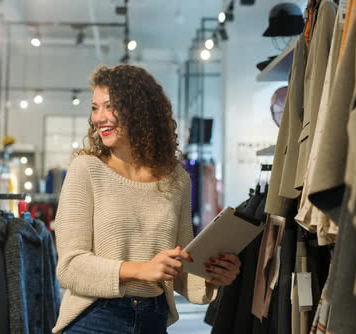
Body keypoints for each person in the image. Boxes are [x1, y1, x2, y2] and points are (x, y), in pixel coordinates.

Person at [52, 64, 241, 334]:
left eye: (110, 106)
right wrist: (140, 269)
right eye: (95, 108)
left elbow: (182, 268)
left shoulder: (177, 180)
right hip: (96, 318)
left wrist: (215, 275)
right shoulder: (86, 170)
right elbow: (69, 267)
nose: (98, 117)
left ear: (140, 110)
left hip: (153, 318)